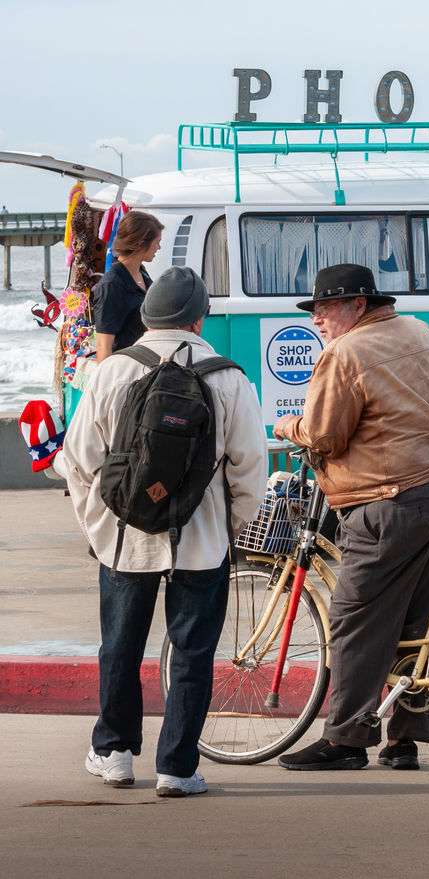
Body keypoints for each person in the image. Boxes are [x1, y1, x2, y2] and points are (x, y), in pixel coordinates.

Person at [63, 267, 266, 797]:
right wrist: (226, 528)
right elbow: (248, 470)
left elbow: (79, 460)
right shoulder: (229, 377)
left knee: (121, 647)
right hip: (201, 543)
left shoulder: (111, 372)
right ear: (200, 317)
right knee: (193, 652)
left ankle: (114, 755)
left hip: (125, 539)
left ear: (146, 316)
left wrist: (100, 525)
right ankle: (177, 767)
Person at [273, 263, 429, 772]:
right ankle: (403, 741)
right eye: (314, 310)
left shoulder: (345, 352)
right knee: (417, 621)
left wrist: (286, 425)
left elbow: (325, 435)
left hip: (388, 501)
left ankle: (345, 741)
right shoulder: (420, 332)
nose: (317, 319)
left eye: (324, 308)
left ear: (357, 306)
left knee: (356, 620)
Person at [93, 211, 163, 360]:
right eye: (157, 242)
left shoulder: (142, 274)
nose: (159, 247)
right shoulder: (112, 285)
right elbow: (104, 347)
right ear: (140, 242)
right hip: (124, 371)